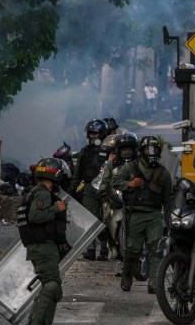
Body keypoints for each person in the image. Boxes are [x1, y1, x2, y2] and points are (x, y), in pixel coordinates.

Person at [111, 136, 172, 294]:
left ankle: (154, 282)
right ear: (141, 151)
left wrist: (169, 219)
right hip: (136, 213)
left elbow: (168, 199)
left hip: (154, 215)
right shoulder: (131, 167)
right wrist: (128, 184)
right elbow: (114, 181)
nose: (151, 153)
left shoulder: (163, 173)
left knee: (156, 249)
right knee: (133, 249)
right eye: (148, 150)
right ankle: (127, 275)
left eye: (155, 150)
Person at [18, 158, 70, 325]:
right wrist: (56, 208)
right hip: (41, 245)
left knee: (56, 288)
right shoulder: (42, 193)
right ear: (55, 175)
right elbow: (35, 216)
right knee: (52, 284)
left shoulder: (35, 192)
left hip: (42, 245)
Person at [70, 119, 108, 261]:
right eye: (90, 133)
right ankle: (90, 249)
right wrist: (71, 191)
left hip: (106, 189)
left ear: (102, 134)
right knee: (89, 219)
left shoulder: (110, 151)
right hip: (89, 189)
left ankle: (104, 249)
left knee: (106, 220)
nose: (92, 136)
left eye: (95, 133)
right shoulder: (84, 152)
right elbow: (77, 174)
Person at [99, 132, 138, 260]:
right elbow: (104, 179)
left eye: (129, 149)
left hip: (136, 199)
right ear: (118, 150)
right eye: (123, 149)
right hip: (117, 198)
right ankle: (111, 244)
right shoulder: (111, 164)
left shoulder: (139, 164)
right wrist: (102, 189)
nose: (126, 152)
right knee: (105, 213)